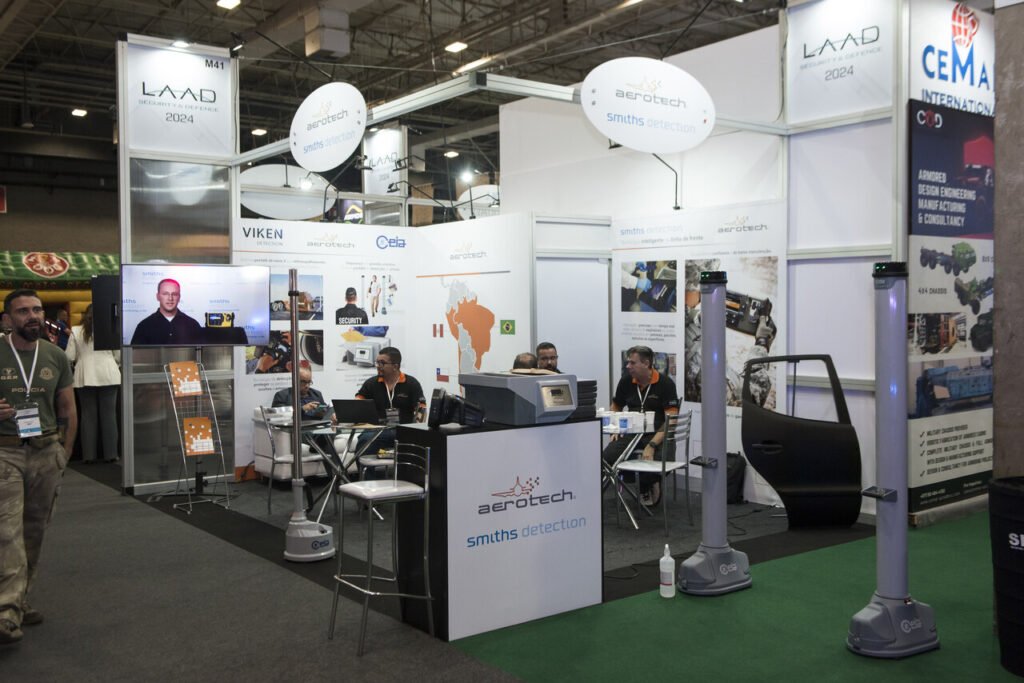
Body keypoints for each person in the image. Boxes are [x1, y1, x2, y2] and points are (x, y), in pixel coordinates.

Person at [0, 289, 77, 645]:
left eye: (37, 309)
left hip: (46, 451)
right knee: (7, 532)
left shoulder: (55, 355)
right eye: (22, 311)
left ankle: (19, 598)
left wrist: (64, 454)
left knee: (34, 531)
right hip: (6, 453)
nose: (32, 316)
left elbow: (67, 408)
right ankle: (6, 612)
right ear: (7, 319)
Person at [602, 345, 678, 507]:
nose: (628, 366)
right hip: (631, 432)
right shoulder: (626, 381)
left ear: (646, 363)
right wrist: (615, 427)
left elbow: (671, 420)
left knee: (660, 464)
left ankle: (647, 484)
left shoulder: (665, 384)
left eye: (632, 363)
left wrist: (652, 445)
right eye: (628, 362)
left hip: (658, 433)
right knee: (607, 458)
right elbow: (616, 405)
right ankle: (639, 482)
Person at [65, 304, 121, 464]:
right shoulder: (110, 330)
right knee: (109, 416)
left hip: (84, 374)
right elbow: (118, 356)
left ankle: (89, 456)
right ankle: (111, 454)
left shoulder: (76, 331)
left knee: (88, 416)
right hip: (109, 373)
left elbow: (69, 356)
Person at [355, 347, 425, 464]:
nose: (378, 366)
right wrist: (341, 414)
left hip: (404, 430)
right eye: (377, 362)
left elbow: (421, 409)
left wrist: (417, 430)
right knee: (364, 441)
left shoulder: (411, 383)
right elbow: (357, 402)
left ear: (395, 366)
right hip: (378, 430)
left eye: (382, 363)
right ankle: (368, 476)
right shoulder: (371, 383)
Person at [130, 278, 204, 346]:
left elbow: (200, 353)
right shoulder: (144, 326)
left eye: (174, 294)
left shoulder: (193, 325)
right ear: (158, 296)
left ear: (179, 297)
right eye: (165, 294)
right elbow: (136, 355)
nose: (170, 298)